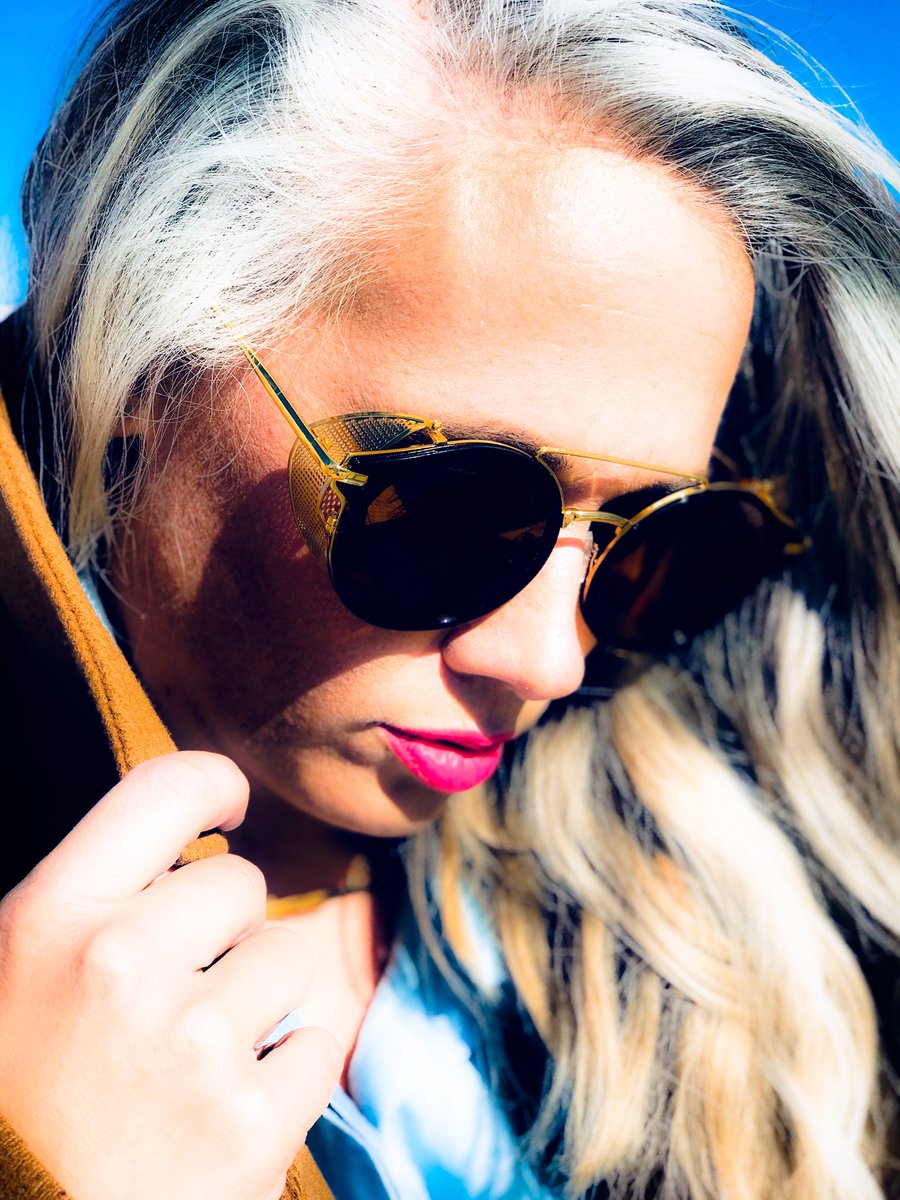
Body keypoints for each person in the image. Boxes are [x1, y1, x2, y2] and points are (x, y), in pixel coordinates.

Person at [0, 0, 897, 1197]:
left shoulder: (692, 951)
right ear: (142, 369)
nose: (551, 662)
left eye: (662, 539)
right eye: (450, 509)